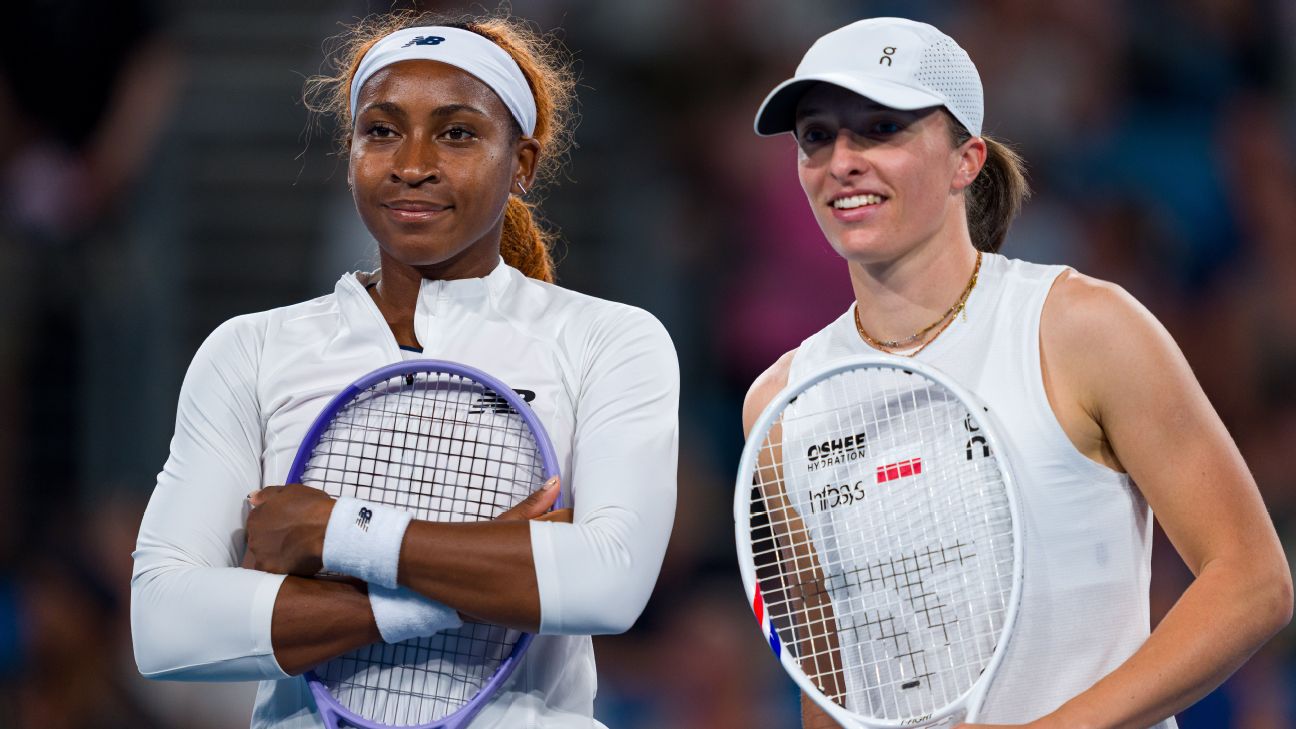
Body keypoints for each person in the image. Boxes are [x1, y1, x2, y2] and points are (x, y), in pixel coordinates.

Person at [130, 11, 679, 728]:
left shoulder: (610, 340)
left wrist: (336, 532)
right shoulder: (250, 349)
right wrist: (466, 585)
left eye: (457, 133)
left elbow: (607, 584)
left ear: (521, 164)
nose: (412, 163)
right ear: (351, 151)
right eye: (382, 130)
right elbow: (165, 627)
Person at [741, 17, 1291, 729]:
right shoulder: (779, 405)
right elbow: (831, 686)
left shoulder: (1082, 328)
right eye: (817, 136)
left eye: (882, 129)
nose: (842, 161)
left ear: (965, 160)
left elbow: (1252, 581)